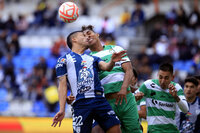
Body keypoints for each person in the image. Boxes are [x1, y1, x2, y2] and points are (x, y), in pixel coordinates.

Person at [51, 31, 126, 133]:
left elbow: (106, 67)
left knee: (116, 129)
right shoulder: (63, 60)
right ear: (74, 39)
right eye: (83, 35)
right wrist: (62, 109)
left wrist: (112, 61)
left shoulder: (93, 58)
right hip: (81, 103)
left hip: (99, 100)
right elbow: (62, 84)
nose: (87, 37)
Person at [82, 25, 142, 133]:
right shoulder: (87, 59)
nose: (87, 36)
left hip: (127, 99)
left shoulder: (116, 48)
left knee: (135, 130)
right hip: (106, 102)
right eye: (84, 36)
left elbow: (129, 70)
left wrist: (124, 88)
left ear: (97, 34)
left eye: (89, 33)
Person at [137, 62, 189, 133]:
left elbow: (186, 110)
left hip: (172, 130)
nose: (162, 81)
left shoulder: (176, 88)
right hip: (154, 130)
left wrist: (175, 97)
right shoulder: (147, 85)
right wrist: (135, 97)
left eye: (166, 78)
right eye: (160, 77)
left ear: (172, 77)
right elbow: (133, 100)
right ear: (157, 75)